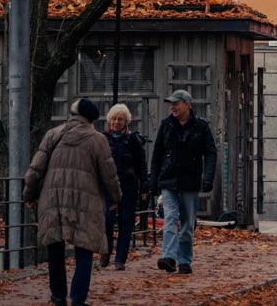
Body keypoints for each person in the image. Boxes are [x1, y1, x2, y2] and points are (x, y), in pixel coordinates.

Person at [23, 98, 122, 306]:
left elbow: (35, 169)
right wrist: (115, 198)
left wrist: (29, 195)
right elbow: (109, 174)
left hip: (53, 199)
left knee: (55, 248)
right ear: (91, 119)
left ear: (72, 114)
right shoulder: (97, 140)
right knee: (84, 250)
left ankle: (58, 296)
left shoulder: (53, 135)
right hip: (84, 201)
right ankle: (78, 299)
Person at [151, 89, 217, 275]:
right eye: (171, 103)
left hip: (190, 180)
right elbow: (157, 155)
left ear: (187, 104)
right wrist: (153, 181)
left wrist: (208, 178)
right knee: (170, 218)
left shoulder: (201, 127)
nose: (172, 106)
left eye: (176, 103)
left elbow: (211, 153)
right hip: (169, 179)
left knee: (188, 223)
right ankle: (169, 257)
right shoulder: (166, 125)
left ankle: (185, 260)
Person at [101, 103, 148, 270]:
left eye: (120, 119)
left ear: (126, 121)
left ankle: (120, 259)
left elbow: (141, 164)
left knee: (126, 223)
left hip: (128, 187)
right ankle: (105, 249)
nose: (116, 122)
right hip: (107, 188)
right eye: (113, 119)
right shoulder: (102, 139)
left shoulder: (133, 140)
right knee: (106, 220)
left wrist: (144, 186)